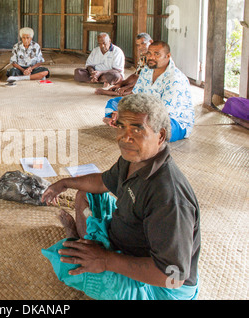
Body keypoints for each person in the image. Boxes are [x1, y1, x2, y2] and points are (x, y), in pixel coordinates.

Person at [41, 94, 200, 300]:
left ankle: (83, 241)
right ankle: (86, 242)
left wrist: (106, 260)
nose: (125, 137)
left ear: (160, 136)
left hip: (161, 288)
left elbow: (173, 277)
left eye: (137, 129)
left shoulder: (169, 198)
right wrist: (64, 183)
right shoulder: (133, 158)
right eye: (121, 126)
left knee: (64, 261)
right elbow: (102, 182)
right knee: (86, 194)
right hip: (125, 238)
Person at [103, 41, 195, 143]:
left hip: (173, 122)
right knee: (115, 102)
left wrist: (127, 115)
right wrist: (124, 110)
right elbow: (134, 96)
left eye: (156, 54)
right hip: (145, 110)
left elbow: (162, 114)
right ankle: (117, 120)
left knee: (155, 128)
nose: (151, 57)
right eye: (149, 53)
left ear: (167, 56)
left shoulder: (175, 79)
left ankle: (123, 122)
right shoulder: (147, 69)